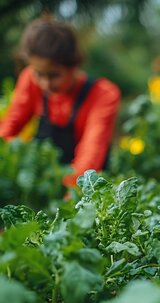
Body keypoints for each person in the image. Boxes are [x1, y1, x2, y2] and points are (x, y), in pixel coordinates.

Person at [0, 17, 121, 186]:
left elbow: (91, 153)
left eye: (54, 75)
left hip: (85, 186)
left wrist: (66, 195)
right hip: (45, 183)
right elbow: (9, 126)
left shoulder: (103, 94)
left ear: (74, 66)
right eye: (39, 74)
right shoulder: (30, 79)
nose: (45, 83)